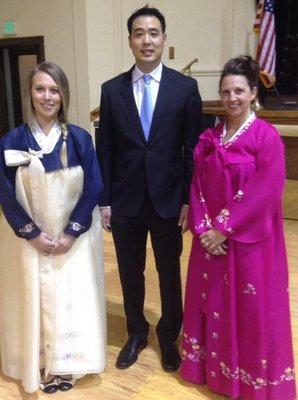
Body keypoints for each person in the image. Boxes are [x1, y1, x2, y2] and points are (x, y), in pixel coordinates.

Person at [180, 55, 296, 400]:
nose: (232, 98)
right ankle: (215, 374)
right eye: (226, 91)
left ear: (252, 92)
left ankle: (249, 382)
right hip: (210, 245)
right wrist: (204, 230)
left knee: (251, 313)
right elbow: (196, 185)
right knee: (212, 303)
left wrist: (223, 229)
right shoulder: (209, 138)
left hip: (250, 245)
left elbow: (266, 190)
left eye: (239, 91)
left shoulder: (266, 137)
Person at [97, 6, 203, 371]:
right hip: (125, 201)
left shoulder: (185, 88)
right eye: (139, 33)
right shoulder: (111, 91)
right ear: (130, 40)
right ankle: (137, 333)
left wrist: (190, 201)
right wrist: (104, 200)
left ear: (163, 39)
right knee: (129, 271)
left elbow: (194, 151)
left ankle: (169, 335)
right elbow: (105, 150)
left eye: (153, 32)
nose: (147, 39)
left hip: (169, 200)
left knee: (169, 271)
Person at [0, 62, 106, 394]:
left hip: (71, 240)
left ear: (64, 95)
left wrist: (71, 232)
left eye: (55, 90)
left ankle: (68, 363)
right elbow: (4, 190)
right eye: (40, 89)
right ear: (30, 94)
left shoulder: (79, 139)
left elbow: (93, 186)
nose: (48, 97)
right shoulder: (12, 141)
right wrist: (30, 233)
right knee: (30, 296)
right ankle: (37, 362)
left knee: (72, 297)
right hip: (27, 241)